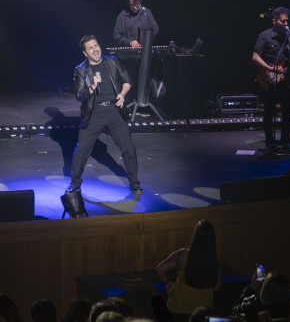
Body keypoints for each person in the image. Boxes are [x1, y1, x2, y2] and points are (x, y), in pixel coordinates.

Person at [68, 35, 141, 195]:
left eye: (96, 45)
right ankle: (75, 184)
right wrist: (93, 86)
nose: (95, 49)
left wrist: (122, 94)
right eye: (90, 48)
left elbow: (127, 80)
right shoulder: (81, 70)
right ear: (85, 53)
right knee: (81, 151)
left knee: (128, 147)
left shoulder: (112, 62)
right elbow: (80, 95)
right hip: (94, 113)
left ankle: (135, 183)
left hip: (114, 110)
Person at [252, 7, 290, 150]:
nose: (286, 23)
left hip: (284, 77)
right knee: (270, 109)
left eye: (287, 20)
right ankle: (270, 141)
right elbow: (255, 57)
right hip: (269, 76)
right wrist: (271, 69)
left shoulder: (289, 36)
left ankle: (285, 139)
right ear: (274, 21)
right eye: (283, 21)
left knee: (287, 108)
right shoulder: (264, 36)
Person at [155, 220, 221, 321]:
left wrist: (167, 283)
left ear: (195, 236)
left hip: (177, 309)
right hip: (202, 313)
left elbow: (160, 269)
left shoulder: (182, 254)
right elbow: (216, 288)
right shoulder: (214, 260)